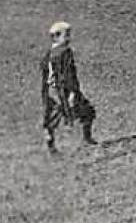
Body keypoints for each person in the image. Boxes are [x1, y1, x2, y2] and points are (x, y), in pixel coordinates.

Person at [41, 20, 97, 152]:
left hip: (51, 90)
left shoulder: (49, 54)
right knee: (87, 111)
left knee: (53, 117)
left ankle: (50, 143)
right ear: (57, 36)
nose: (68, 38)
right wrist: (72, 92)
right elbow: (68, 73)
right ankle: (86, 138)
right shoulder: (65, 52)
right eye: (66, 34)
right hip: (64, 89)